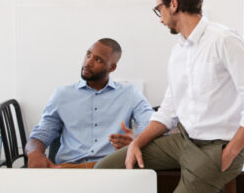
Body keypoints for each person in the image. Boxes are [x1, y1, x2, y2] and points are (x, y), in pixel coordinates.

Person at [95, 0, 244, 193]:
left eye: (159, 9)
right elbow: (169, 110)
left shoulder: (224, 40)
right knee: (105, 169)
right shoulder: (178, 51)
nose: (160, 18)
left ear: (173, 4)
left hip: (217, 148)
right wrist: (137, 142)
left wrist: (229, 153)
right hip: (183, 140)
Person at [25, 38, 155, 168]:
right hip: (67, 170)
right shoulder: (62, 95)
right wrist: (34, 153)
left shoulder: (129, 93)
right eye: (88, 55)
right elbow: (42, 133)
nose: (88, 62)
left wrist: (136, 140)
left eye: (98, 60)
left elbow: (151, 125)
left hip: (111, 169)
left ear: (112, 67)